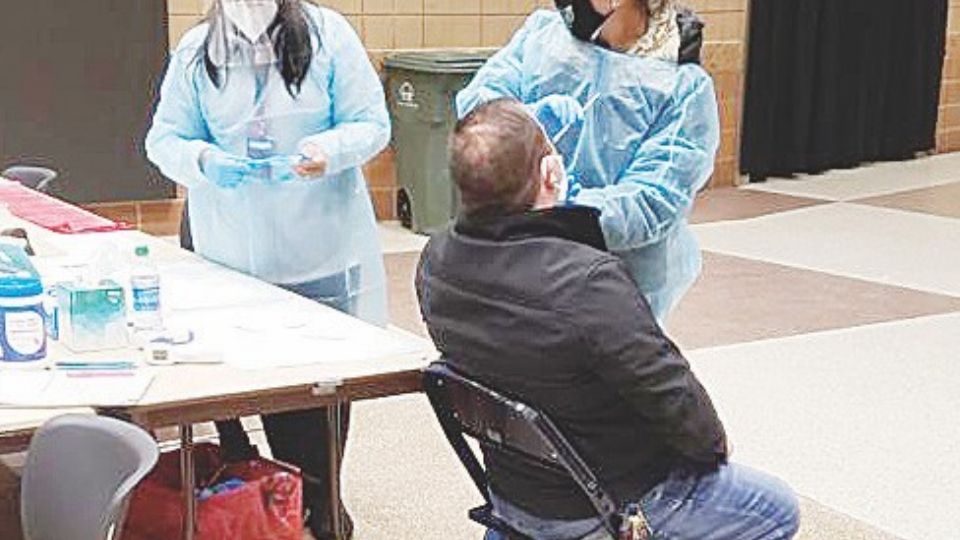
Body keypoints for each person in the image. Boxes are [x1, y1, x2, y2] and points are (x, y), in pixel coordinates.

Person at [417, 99, 799, 540]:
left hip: (512, 492)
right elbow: (672, 394)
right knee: (776, 508)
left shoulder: (435, 261)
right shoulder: (586, 281)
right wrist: (713, 446)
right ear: (551, 173)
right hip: (598, 503)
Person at [145, 1, 390, 537]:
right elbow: (163, 140)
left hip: (318, 256)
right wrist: (205, 161)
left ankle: (321, 508)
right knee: (244, 390)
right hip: (232, 259)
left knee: (314, 419)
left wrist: (326, 149)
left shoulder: (328, 36)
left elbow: (373, 124)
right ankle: (271, 499)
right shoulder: (198, 51)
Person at [456, 0, 719, 322]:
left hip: (613, 284)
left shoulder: (681, 86)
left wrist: (563, 207)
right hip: (518, 258)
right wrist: (518, 123)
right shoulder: (543, 35)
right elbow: (480, 110)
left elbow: (653, 200)